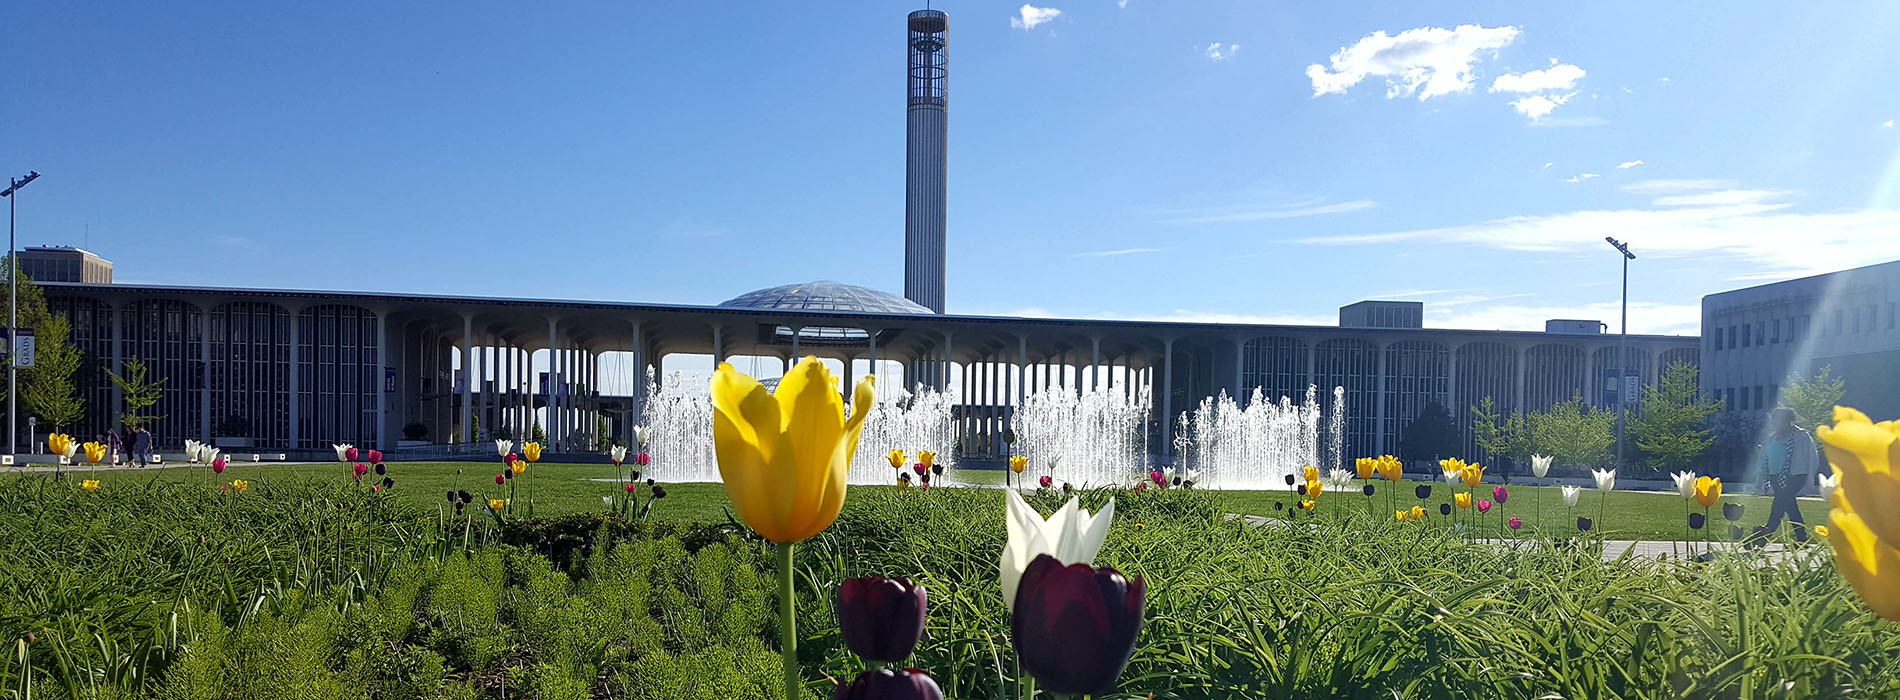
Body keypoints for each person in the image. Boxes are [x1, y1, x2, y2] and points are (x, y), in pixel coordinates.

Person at [1751, 407, 1814, 545]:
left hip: (1795, 476)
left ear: (1788, 421)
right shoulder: (1772, 438)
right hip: (1775, 477)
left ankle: (1765, 536)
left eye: (1780, 420)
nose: (1777, 424)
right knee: (1790, 506)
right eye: (1775, 420)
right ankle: (1802, 538)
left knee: (1778, 506)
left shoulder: (1801, 436)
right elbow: (1766, 459)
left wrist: (1808, 476)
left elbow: (1810, 457)